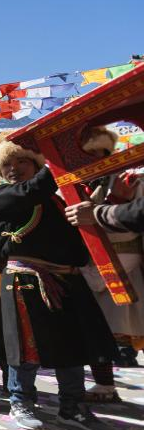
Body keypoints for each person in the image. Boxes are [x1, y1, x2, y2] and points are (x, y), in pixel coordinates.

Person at [0, 132, 116, 430]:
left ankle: (72, 406)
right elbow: (37, 187)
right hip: (26, 279)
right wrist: (64, 156)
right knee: (24, 348)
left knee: (73, 347)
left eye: (21, 161)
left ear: (34, 163)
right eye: (6, 165)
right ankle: (21, 401)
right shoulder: (0, 196)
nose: (14, 168)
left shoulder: (56, 200)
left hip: (67, 279)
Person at [74, 127, 142, 396]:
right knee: (95, 329)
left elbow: (136, 218)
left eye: (97, 155)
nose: (91, 161)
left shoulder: (129, 180)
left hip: (124, 262)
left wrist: (103, 211)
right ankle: (104, 384)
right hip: (88, 263)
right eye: (85, 156)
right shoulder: (72, 186)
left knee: (123, 327)